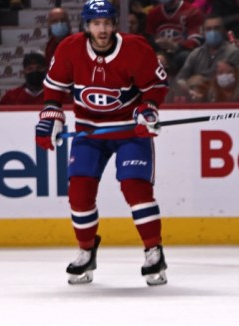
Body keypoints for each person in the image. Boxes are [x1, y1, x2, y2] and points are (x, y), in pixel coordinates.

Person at [35, 0, 170, 286]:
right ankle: (86, 251)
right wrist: (51, 117)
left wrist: (148, 110)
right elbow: (54, 89)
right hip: (89, 133)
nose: (103, 29)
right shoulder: (69, 49)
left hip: (129, 131)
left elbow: (156, 88)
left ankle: (154, 251)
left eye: (107, 23)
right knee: (80, 193)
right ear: (87, 26)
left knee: (136, 187)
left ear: (114, 25)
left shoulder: (135, 49)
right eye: (96, 24)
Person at [175, 14, 239, 95]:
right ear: (203, 32)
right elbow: (180, 78)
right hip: (197, 97)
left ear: (223, 30)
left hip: (223, 96)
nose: (212, 32)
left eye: (216, 28)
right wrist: (189, 84)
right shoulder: (196, 53)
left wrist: (204, 82)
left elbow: (234, 81)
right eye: (208, 29)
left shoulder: (233, 52)